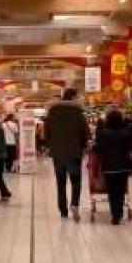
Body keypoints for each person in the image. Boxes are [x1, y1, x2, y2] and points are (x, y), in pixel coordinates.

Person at [43, 87, 90, 221]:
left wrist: (50, 145)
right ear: (74, 97)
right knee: (75, 181)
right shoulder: (78, 113)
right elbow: (85, 132)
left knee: (61, 182)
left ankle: (63, 211)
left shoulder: (52, 112)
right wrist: (83, 146)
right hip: (74, 152)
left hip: (57, 153)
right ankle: (74, 203)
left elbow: (46, 132)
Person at [93, 109, 132, 224]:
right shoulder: (126, 132)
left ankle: (115, 215)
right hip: (123, 166)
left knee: (112, 191)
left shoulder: (104, 133)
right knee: (121, 190)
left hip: (109, 166)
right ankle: (119, 212)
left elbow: (98, 148)